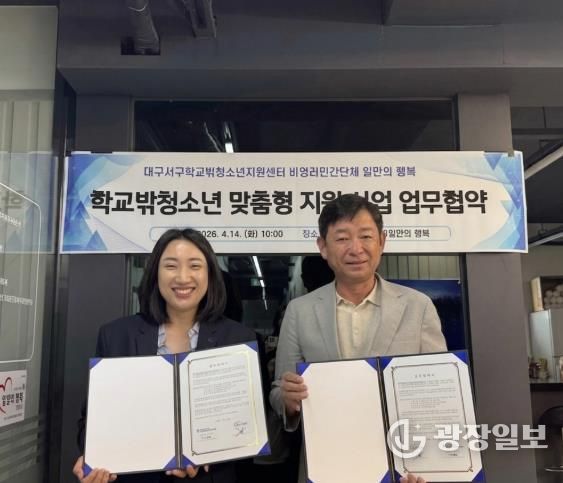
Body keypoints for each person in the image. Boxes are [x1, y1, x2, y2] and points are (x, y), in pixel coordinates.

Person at [269, 194, 447, 483]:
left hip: (400, 465)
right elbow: (279, 390)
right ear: (323, 247)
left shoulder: (418, 307)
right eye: (342, 239)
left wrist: (433, 465)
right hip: (327, 464)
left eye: (366, 236)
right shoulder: (300, 311)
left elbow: (438, 391)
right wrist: (288, 400)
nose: (356, 249)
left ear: (382, 242)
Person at [73, 228, 257, 483]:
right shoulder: (116, 336)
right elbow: (91, 423)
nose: (183, 277)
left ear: (210, 275)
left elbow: (245, 429)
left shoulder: (237, 340)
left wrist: (209, 455)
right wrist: (93, 457)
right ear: (155, 273)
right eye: (171, 266)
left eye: (195, 266)